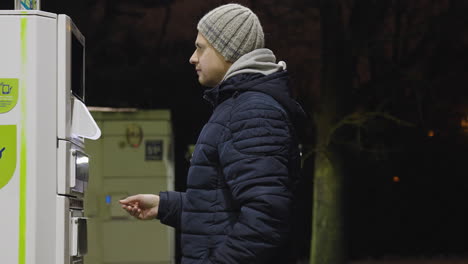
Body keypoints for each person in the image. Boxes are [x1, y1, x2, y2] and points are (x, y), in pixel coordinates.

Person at [120, 3, 305, 263]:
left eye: (200, 47)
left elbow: (265, 219)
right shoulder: (239, 106)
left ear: (226, 49)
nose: (192, 57)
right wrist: (165, 206)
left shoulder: (253, 111)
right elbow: (221, 209)